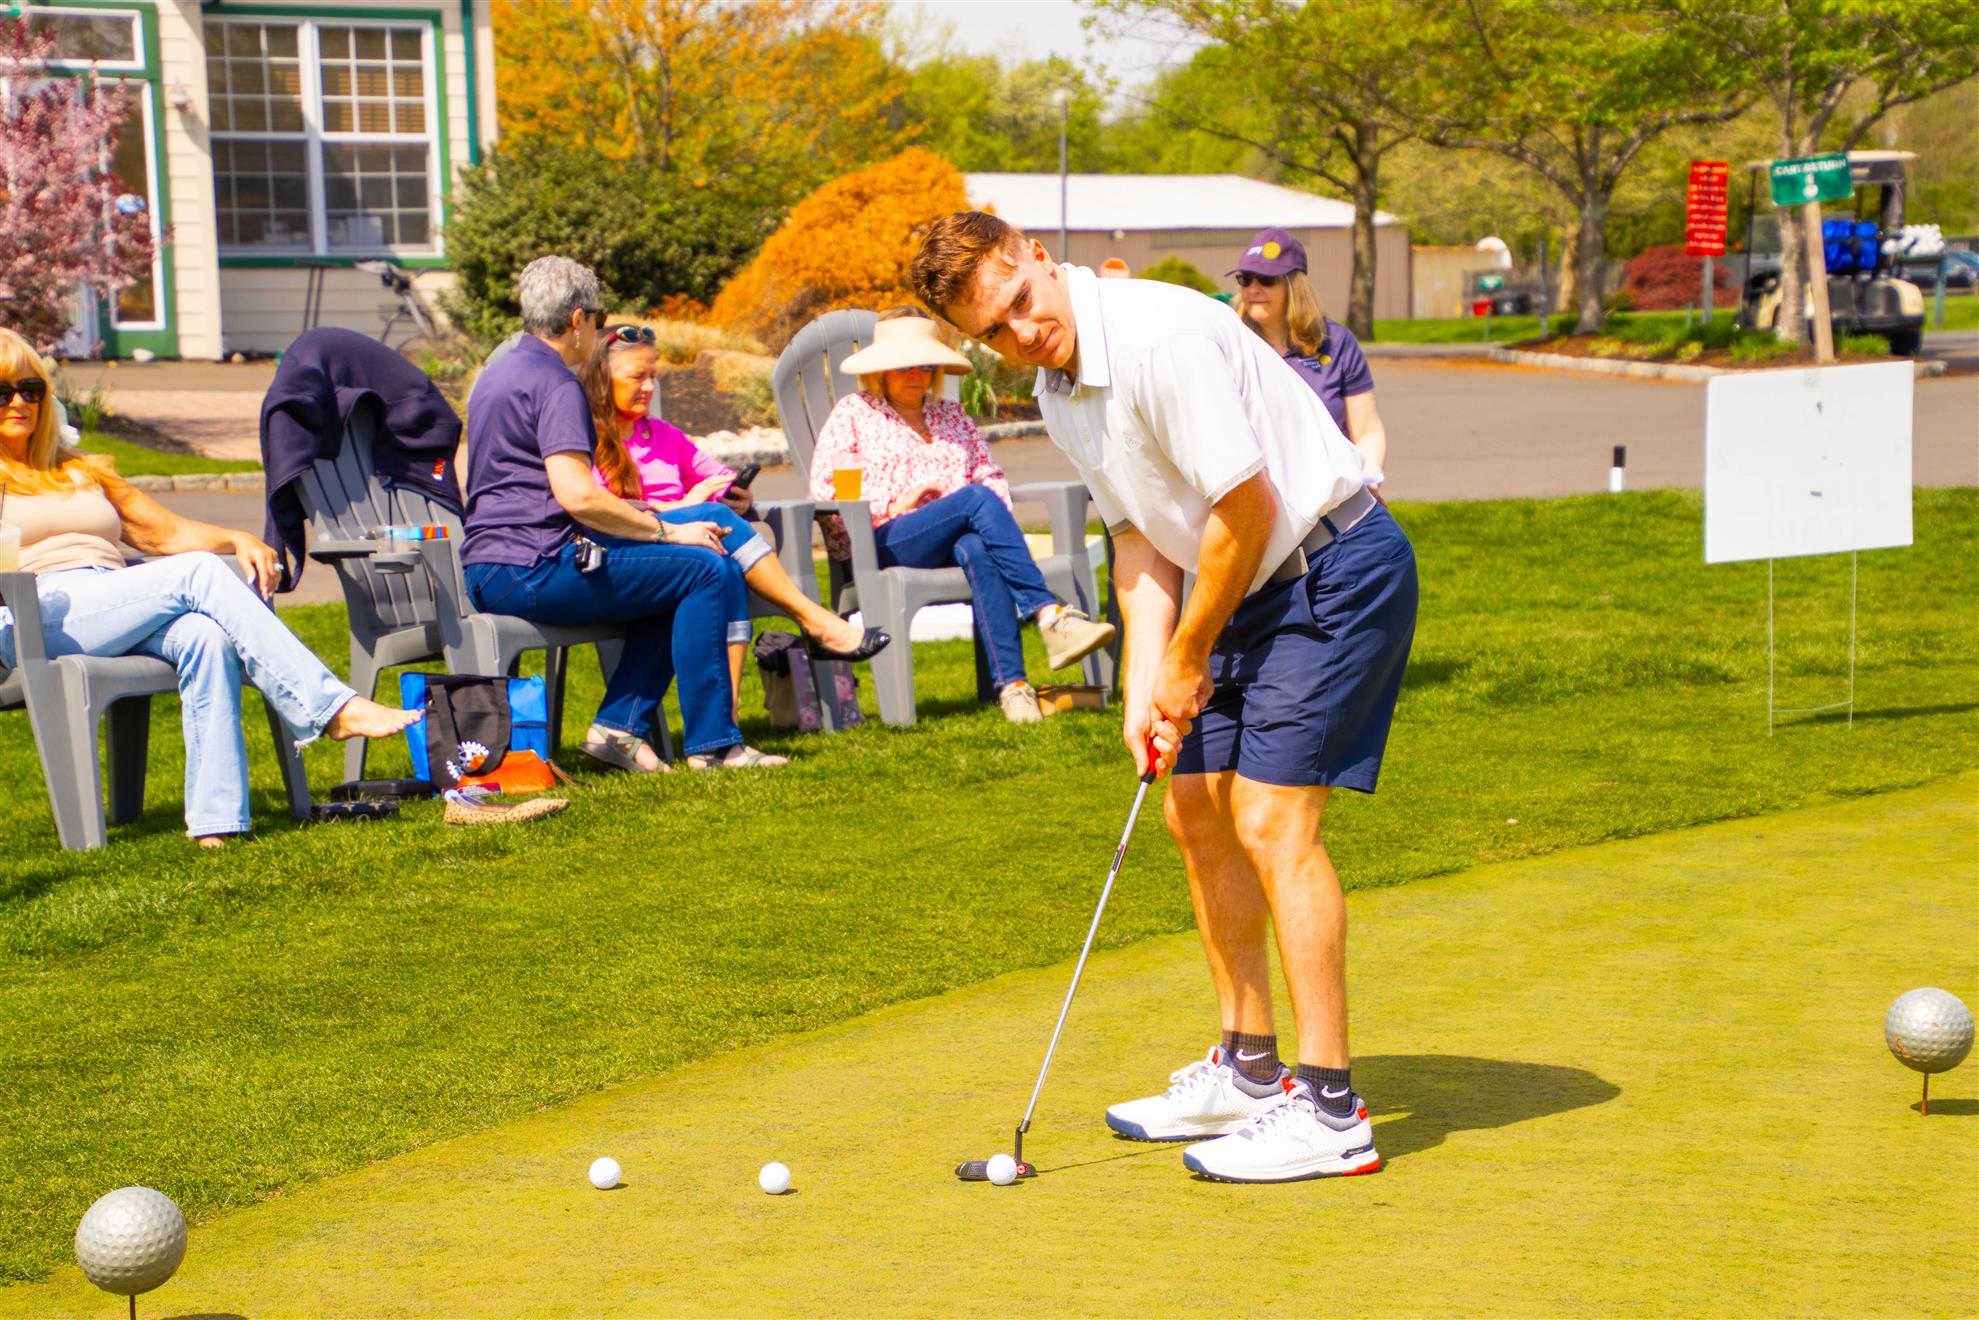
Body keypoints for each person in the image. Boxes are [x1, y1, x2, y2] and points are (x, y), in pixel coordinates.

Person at [913, 213, 1417, 1183]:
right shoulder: (1059, 390)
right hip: (1241, 584)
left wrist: (1187, 655)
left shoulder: (1158, 337)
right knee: (1191, 808)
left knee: (1269, 819)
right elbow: (1140, 538)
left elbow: (1246, 507)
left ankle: (1330, 1111)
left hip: (1329, 567)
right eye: (992, 332)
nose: (1021, 333)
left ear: (1035, 255)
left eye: (1020, 302)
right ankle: (1250, 1068)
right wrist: (1144, 683)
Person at [0, 327, 421, 847]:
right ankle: (330, 708)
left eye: (30, 390)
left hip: (111, 596)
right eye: (2, 392)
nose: (19, 403)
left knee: (206, 635)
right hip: (36, 611)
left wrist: (234, 538)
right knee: (197, 573)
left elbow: (164, 533)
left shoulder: (79, 470)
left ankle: (216, 821)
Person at [459, 256, 783, 772]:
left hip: (488, 568)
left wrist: (651, 522)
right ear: (577, 320)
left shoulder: (496, 376)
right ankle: (714, 746)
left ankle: (618, 727)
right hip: (534, 568)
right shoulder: (556, 383)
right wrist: (666, 531)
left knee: (674, 578)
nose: (597, 330)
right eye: (598, 319)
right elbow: (579, 497)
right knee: (704, 568)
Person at [806, 308, 1114, 724]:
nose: (916, 375)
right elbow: (826, 488)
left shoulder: (950, 415)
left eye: (925, 366)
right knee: (973, 499)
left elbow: (990, 475)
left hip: (956, 536)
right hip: (882, 539)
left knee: (978, 546)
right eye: (904, 366)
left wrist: (985, 522)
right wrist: (894, 504)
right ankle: (1048, 614)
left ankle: (1014, 688)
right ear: (880, 371)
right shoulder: (854, 412)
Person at [577, 323, 890, 714]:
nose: (649, 387)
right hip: (632, 554)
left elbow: (717, 475)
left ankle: (727, 718)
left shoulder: (662, 434)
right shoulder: (583, 438)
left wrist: (735, 494)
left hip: (695, 549)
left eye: (653, 375)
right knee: (713, 529)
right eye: (637, 377)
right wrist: (682, 506)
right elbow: (597, 508)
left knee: (724, 564)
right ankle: (814, 620)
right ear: (601, 380)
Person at [1231, 228, 1391, 498]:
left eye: (1266, 279)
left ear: (1294, 286)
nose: (1253, 289)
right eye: (1245, 279)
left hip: (1332, 494)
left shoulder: (1336, 342)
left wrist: (1369, 476)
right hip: (1257, 496)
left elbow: (1367, 429)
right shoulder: (1232, 344)